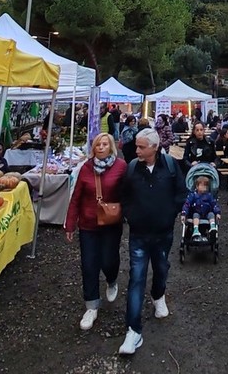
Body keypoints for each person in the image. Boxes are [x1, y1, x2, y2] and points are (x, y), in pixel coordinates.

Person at [119, 128, 186, 356]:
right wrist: (130, 215)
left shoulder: (170, 165)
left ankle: (158, 295)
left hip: (163, 232)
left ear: (155, 147)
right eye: (136, 146)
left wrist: (170, 213)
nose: (136, 150)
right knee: (136, 278)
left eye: (141, 147)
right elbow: (124, 195)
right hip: (138, 234)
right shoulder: (131, 168)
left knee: (161, 267)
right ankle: (133, 330)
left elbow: (181, 192)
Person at [65, 133, 128, 330]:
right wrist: (70, 223)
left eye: (104, 144)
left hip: (111, 223)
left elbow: (128, 192)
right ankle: (91, 305)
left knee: (109, 259)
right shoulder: (85, 168)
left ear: (111, 147)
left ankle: (111, 279)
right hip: (88, 224)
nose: (101, 147)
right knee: (89, 264)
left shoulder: (120, 167)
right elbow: (76, 197)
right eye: (97, 144)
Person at [181, 174, 220, 239]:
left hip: (207, 213)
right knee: (195, 215)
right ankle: (195, 229)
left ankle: (212, 227)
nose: (204, 187)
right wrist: (184, 213)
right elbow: (187, 204)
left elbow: (214, 204)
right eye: (202, 186)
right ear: (197, 186)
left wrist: (218, 212)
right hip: (196, 212)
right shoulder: (193, 195)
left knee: (211, 214)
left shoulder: (209, 195)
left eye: (206, 186)